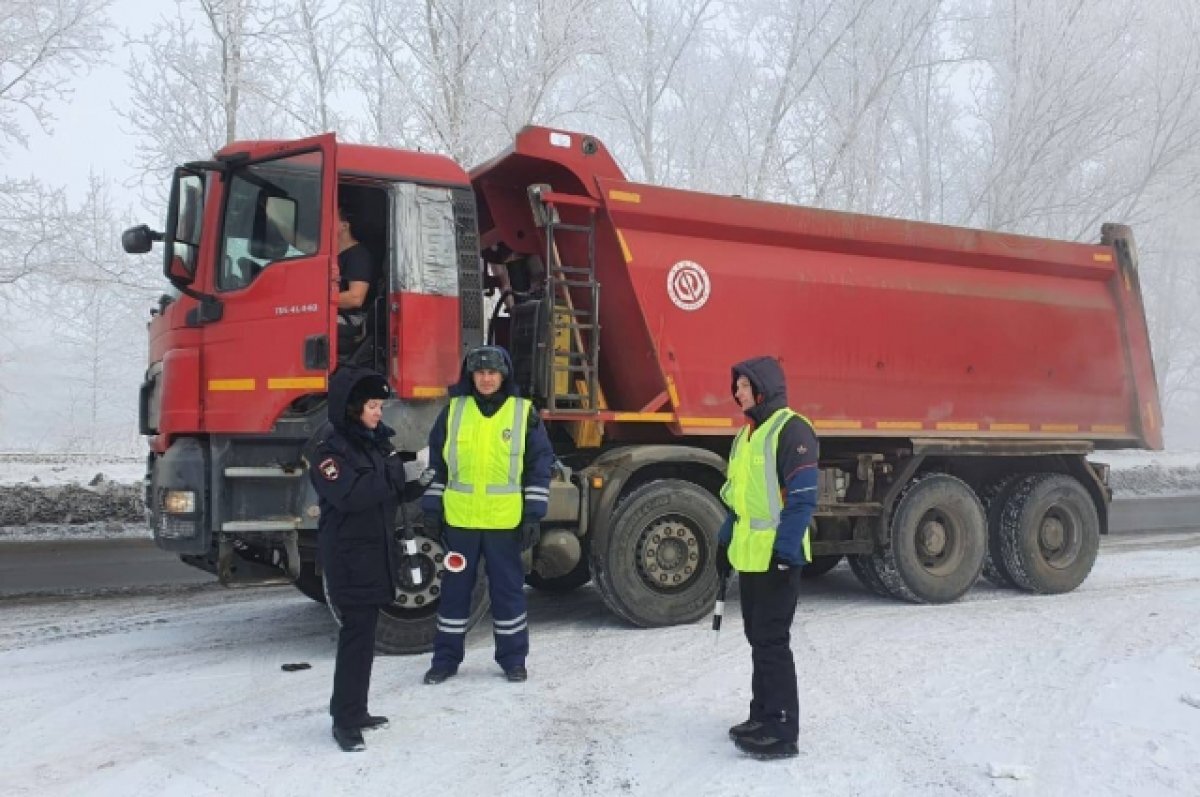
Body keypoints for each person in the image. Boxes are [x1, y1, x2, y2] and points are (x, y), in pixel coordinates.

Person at [420, 344, 554, 685]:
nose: (486, 379)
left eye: (493, 372)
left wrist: (533, 515)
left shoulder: (523, 413)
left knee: (508, 594)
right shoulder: (453, 412)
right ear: (471, 376)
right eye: (480, 372)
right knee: (454, 594)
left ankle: (513, 660)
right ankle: (444, 661)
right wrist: (432, 510)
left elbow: (539, 467)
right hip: (460, 525)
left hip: (503, 525)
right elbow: (437, 466)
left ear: (504, 375)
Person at [308, 364, 416, 752]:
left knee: (365, 636)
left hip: (375, 552)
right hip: (349, 556)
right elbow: (352, 495)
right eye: (372, 406)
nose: (378, 412)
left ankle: (357, 710)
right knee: (355, 637)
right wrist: (398, 475)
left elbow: (392, 490)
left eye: (380, 406)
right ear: (352, 408)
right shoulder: (329, 450)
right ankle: (344, 720)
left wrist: (419, 479)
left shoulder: (375, 442)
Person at [716, 356, 819, 760]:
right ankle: (761, 715)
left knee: (773, 641)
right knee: (757, 637)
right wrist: (725, 541)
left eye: (745, 385)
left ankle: (782, 730)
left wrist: (786, 552)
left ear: (764, 388)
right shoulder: (745, 436)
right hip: (750, 555)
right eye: (737, 385)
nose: (737, 392)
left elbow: (802, 498)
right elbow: (736, 500)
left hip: (778, 557)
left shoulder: (792, 429)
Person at [336, 204, 378, 359]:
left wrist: (315, 302)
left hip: (352, 319)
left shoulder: (358, 256)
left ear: (345, 226)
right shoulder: (337, 255)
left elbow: (355, 298)